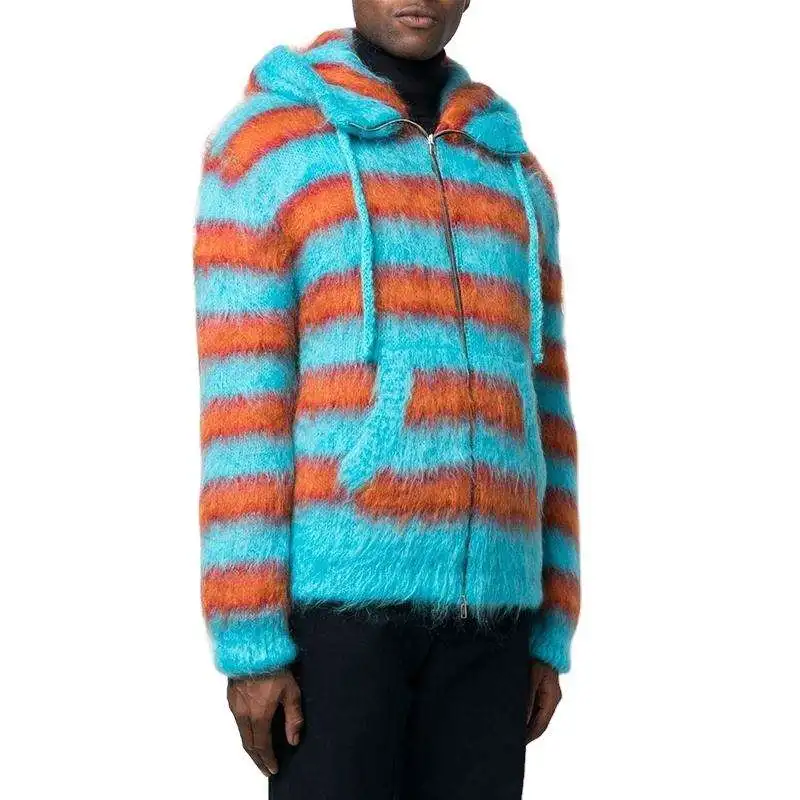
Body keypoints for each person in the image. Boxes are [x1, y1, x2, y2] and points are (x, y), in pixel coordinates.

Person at [193, 1, 580, 797]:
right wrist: (248, 639)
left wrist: (553, 619)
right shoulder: (267, 150)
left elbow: (548, 406)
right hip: (337, 620)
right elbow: (242, 409)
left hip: (496, 616)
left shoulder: (513, 169)